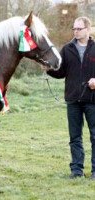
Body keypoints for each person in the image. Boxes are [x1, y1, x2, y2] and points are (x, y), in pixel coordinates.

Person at [47, 16, 95, 179]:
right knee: (75, 137)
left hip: (92, 100)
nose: (75, 31)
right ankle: (76, 171)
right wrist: (48, 68)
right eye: (74, 28)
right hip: (73, 99)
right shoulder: (67, 49)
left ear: (88, 29)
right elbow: (61, 72)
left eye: (79, 28)